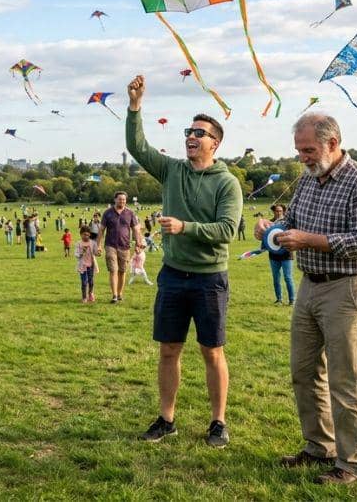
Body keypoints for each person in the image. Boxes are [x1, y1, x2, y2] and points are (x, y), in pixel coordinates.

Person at [255, 113, 357, 486]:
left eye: (308, 149)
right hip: (309, 285)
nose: (303, 157)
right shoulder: (307, 181)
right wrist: (272, 230)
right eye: (299, 150)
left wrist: (309, 239)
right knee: (304, 371)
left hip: (347, 288)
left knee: (345, 378)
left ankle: (353, 464)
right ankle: (319, 447)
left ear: (332, 142)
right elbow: (291, 221)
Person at [126, 75, 241, 449]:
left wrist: (184, 226)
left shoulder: (227, 183)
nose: (191, 136)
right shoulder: (172, 171)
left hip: (210, 278)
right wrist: (135, 106)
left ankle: (218, 422)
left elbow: (226, 229)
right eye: (188, 131)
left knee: (212, 351)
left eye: (200, 132)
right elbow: (138, 147)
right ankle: (166, 419)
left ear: (215, 143)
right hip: (173, 276)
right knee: (169, 350)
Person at [97, 191, 145, 303]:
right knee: (113, 270)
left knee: (122, 271)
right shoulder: (107, 213)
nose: (122, 201)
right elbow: (101, 230)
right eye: (120, 199)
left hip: (125, 246)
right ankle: (114, 295)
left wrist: (138, 243)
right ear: (115, 199)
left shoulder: (130, 213)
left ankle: (119, 294)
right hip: (110, 245)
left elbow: (136, 229)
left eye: (124, 199)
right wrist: (98, 245)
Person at [268, 204, 295, 306]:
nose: (278, 213)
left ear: (283, 212)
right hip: (273, 254)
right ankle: (279, 299)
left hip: (286, 254)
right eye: (276, 211)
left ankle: (292, 300)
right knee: (276, 278)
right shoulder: (270, 223)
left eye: (280, 211)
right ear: (274, 212)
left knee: (288, 277)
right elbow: (266, 238)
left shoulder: (287, 224)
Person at [75, 227, 98, 303]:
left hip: (91, 265)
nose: (86, 236)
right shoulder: (78, 244)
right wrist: (82, 252)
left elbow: (95, 252)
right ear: (81, 235)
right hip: (83, 266)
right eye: (84, 235)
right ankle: (84, 297)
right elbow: (77, 255)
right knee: (84, 282)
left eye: (88, 235)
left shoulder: (92, 243)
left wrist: (99, 253)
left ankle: (91, 293)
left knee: (91, 281)